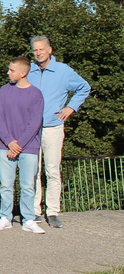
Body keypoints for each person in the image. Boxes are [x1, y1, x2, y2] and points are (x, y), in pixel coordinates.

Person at [28, 36, 91, 228]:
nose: (38, 53)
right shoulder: (28, 70)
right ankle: (34, 211)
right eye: (35, 50)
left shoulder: (63, 70)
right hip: (31, 129)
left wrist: (71, 108)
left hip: (53, 126)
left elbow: (84, 87)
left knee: (52, 169)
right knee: (33, 171)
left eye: (41, 49)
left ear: (50, 50)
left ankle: (53, 211)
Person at [0, 58, 46, 234]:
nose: (8, 72)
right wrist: (9, 141)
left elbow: (35, 122)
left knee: (28, 185)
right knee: (6, 184)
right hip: (5, 145)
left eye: (12, 70)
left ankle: (28, 219)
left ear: (23, 73)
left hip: (29, 147)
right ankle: (5, 217)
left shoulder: (36, 94)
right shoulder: (4, 91)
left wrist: (19, 144)